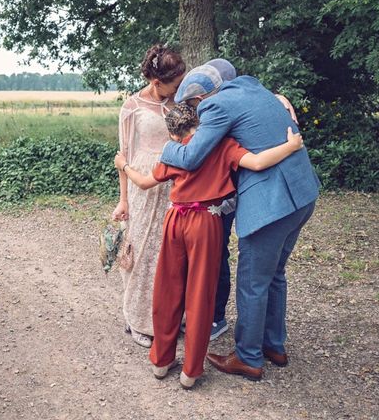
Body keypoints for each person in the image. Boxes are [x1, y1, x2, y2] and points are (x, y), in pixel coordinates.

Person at [114, 81, 304, 389]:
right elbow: (257, 162)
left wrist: (123, 164)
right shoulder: (224, 146)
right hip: (206, 221)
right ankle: (191, 371)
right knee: (200, 293)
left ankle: (161, 361)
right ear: (201, 124)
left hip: (175, 219)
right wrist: (290, 146)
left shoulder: (171, 151)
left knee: (168, 288)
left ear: (172, 132)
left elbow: (145, 182)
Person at [159, 64, 320, 381]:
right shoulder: (253, 87)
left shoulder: (216, 105)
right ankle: (273, 345)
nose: (197, 115)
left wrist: (165, 150)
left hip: (272, 205)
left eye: (193, 106)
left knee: (252, 282)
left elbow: (192, 158)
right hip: (303, 193)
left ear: (201, 98)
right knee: (274, 275)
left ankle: (248, 357)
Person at [111, 44, 186, 348]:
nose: (178, 88)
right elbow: (123, 154)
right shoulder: (132, 107)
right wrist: (124, 199)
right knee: (139, 252)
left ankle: (164, 317)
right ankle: (136, 320)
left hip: (171, 181)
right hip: (141, 181)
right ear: (156, 81)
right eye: (174, 83)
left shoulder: (177, 102)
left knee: (166, 254)